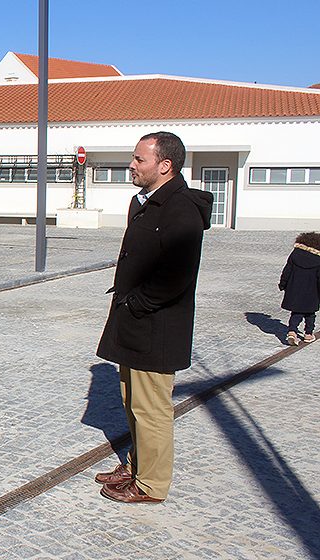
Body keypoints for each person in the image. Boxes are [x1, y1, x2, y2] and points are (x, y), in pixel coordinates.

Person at [95, 131, 212, 504]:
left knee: (152, 409)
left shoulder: (181, 209)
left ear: (165, 165)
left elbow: (177, 275)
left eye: (139, 159)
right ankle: (136, 465)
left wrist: (137, 303)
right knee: (132, 402)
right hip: (134, 324)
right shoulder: (145, 202)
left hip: (156, 326)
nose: (131, 165)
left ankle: (151, 484)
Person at [279, 231, 320, 345]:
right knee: (310, 313)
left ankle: (292, 332)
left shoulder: (295, 254)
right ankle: (308, 334)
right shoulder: (318, 259)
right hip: (312, 291)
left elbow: (287, 270)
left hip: (295, 288)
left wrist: (283, 284)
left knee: (296, 312)